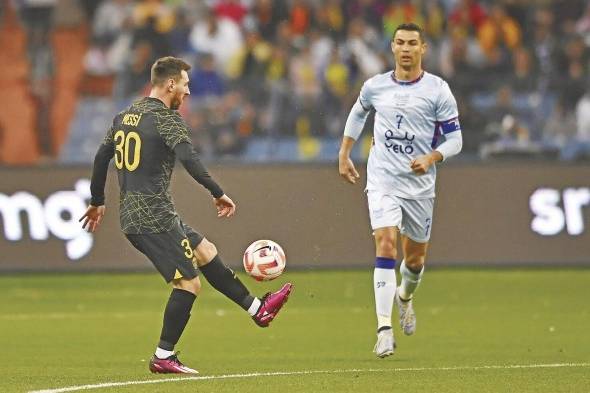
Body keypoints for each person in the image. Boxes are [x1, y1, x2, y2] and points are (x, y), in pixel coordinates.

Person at [80, 56, 293, 374]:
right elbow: (189, 158)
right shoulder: (167, 120)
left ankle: (257, 310)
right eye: (185, 84)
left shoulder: (125, 116)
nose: (188, 91)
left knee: (205, 251)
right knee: (189, 285)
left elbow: (100, 158)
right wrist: (217, 192)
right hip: (152, 218)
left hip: (147, 214)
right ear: (170, 84)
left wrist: (97, 200)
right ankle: (163, 356)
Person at [338, 23, 462, 358]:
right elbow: (358, 111)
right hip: (383, 182)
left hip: (420, 187)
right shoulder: (376, 87)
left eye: (412, 43)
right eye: (400, 43)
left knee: (416, 260)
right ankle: (383, 329)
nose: (406, 49)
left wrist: (433, 156)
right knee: (386, 243)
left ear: (424, 49)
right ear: (392, 47)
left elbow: (456, 140)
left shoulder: (437, 90)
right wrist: (345, 152)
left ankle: (404, 298)